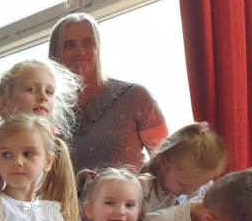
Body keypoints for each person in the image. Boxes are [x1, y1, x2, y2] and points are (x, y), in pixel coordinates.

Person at [48, 12, 168, 172]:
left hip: (133, 189)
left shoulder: (134, 97)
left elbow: (167, 165)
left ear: (98, 47)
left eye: (88, 43)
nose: (80, 52)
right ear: (55, 53)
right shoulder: (48, 110)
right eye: (69, 45)